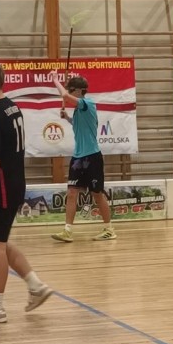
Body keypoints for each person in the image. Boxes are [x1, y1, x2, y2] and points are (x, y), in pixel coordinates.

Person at [0, 62, 53, 324]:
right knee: (0, 241)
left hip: (1, 189)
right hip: (15, 184)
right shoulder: (13, 108)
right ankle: (36, 286)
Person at [48, 70, 116, 242]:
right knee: (72, 192)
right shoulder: (79, 111)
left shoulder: (88, 104)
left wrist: (55, 80)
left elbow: (64, 96)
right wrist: (68, 118)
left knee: (97, 194)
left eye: (71, 90)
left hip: (92, 157)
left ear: (79, 91)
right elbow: (80, 127)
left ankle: (109, 229)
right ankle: (67, 230)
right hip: (78, 158)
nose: (68, 93)